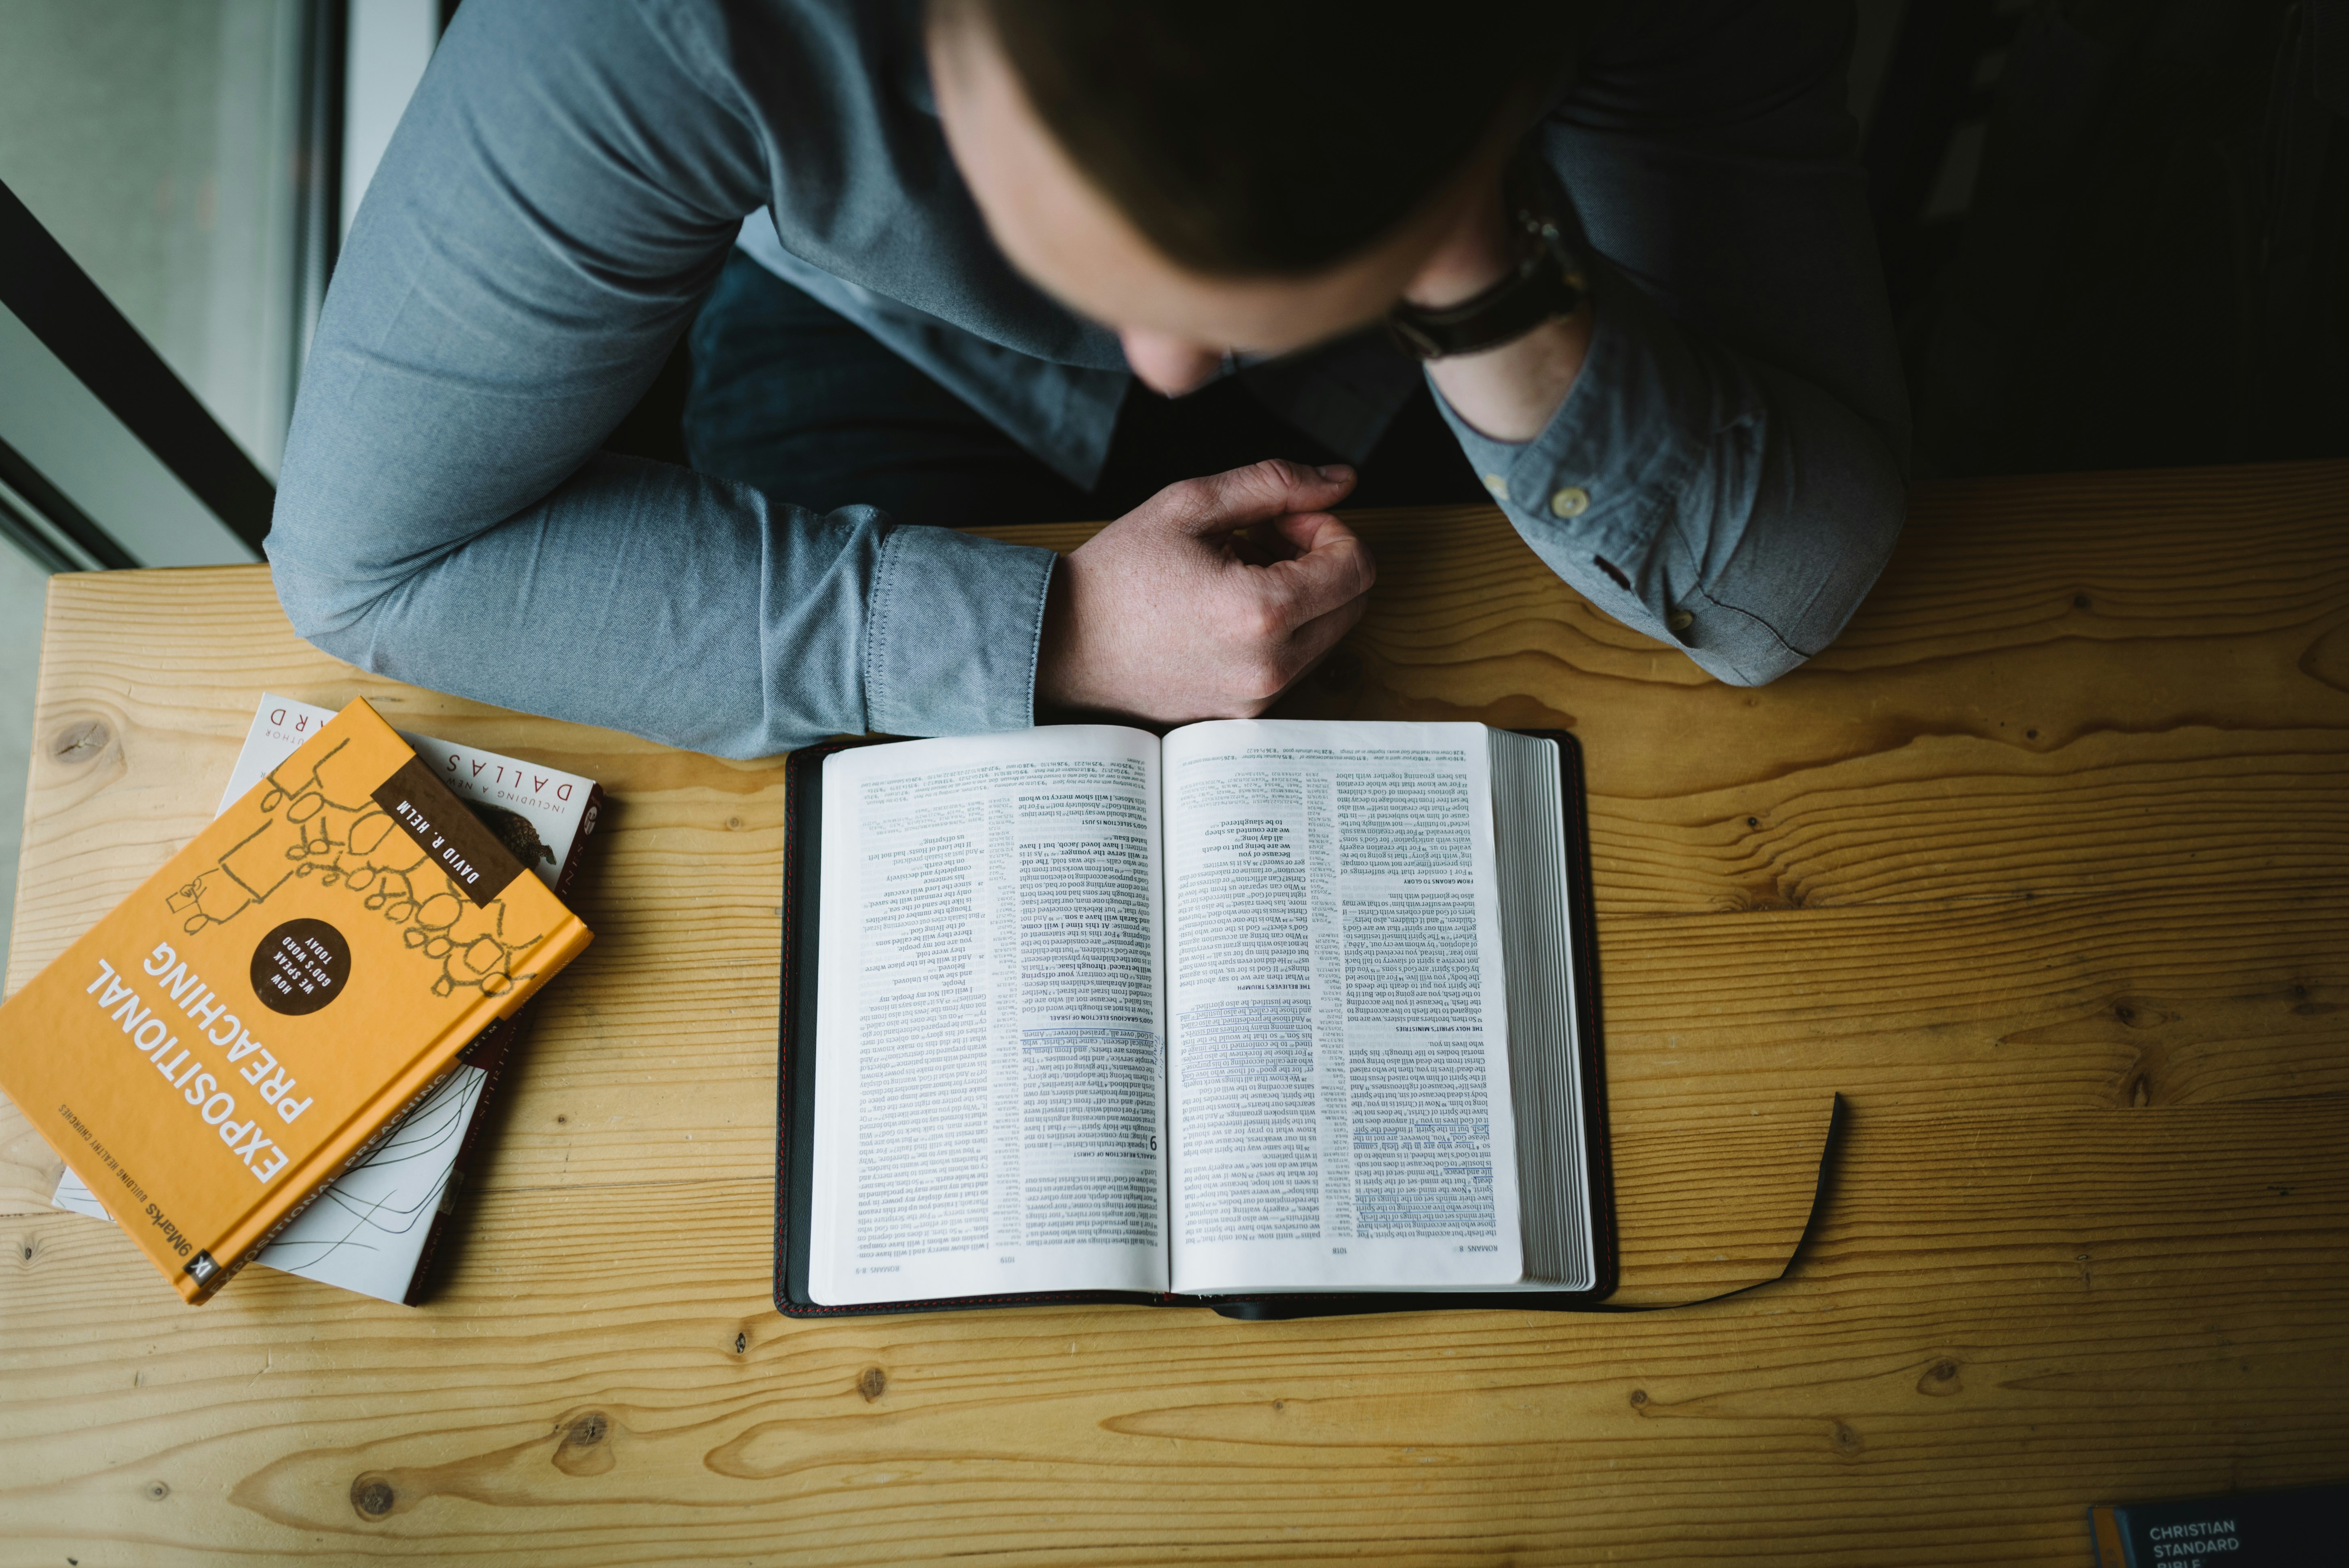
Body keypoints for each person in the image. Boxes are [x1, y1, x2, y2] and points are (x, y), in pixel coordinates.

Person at [268, 0, 1908, 758]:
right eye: (1115, 270)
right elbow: (372, 561)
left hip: (1437, 336)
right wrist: (1043, 631)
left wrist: (1481, 268)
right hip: (882, 343)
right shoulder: (635, 29)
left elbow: (1790, 588)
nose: (1184, 370)